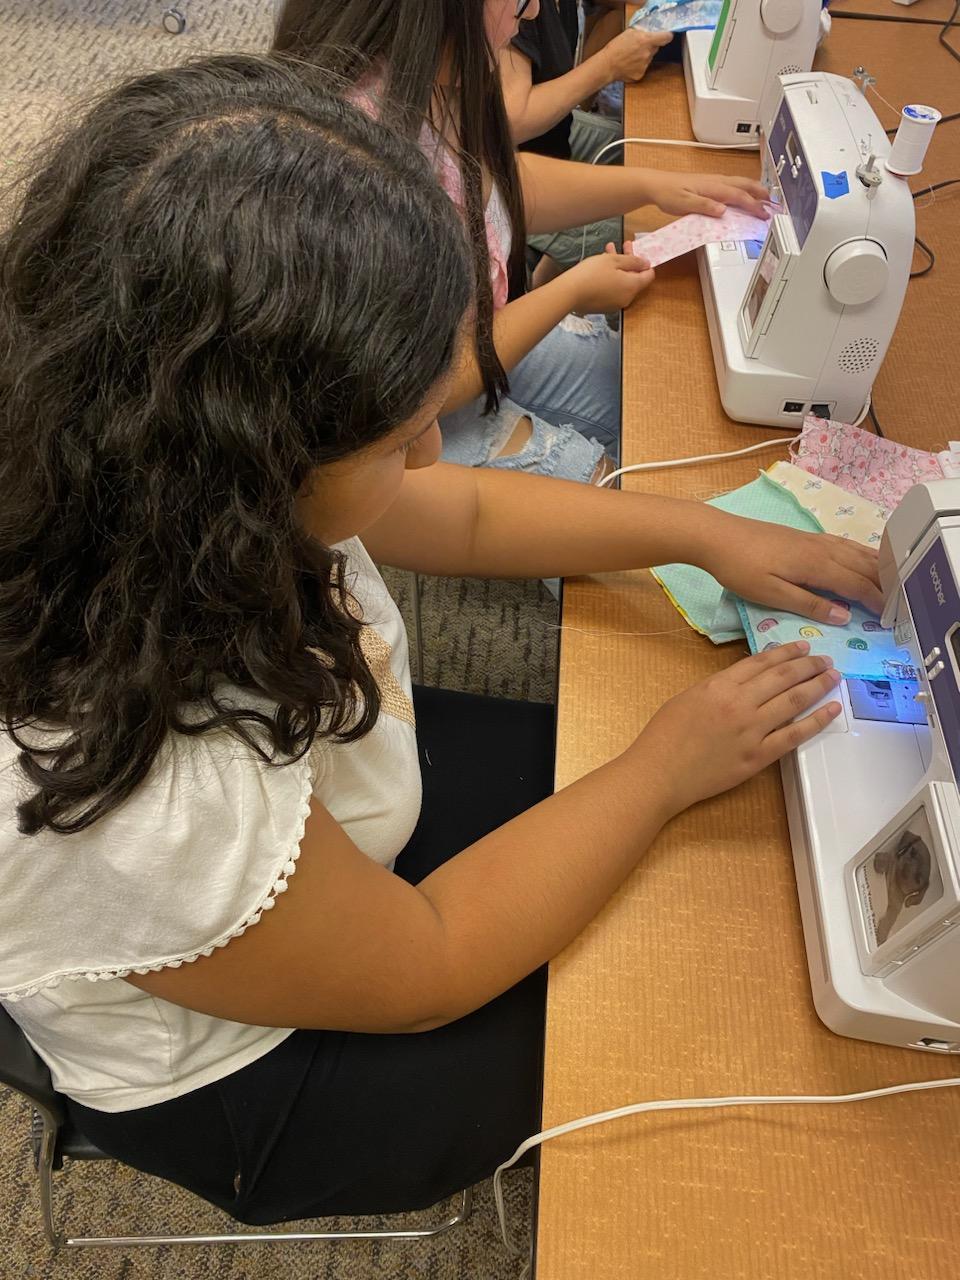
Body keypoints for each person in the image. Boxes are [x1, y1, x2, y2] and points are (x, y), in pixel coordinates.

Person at [0, 53, 883, 1222]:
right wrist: (662, 766)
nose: (429, 453)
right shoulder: (149, 793)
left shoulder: (158, 470)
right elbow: (430, 957)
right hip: (266, 1072)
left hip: (330, 800)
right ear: (253, 464)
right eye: (400, 436)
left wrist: (699, 532)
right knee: (695, 992)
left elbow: (457, 511)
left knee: (705, 825)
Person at [273, 0, 769, 484]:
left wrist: (653, 185)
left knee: (650, 390)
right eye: (523, 0)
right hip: (418, 404)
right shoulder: (357, 168)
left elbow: (495, 190)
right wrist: (571, 291)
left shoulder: (431, 80)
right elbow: (428, 382)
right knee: (622, 484)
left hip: (466, 337)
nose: (532, 13)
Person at [500, 1, 672, 287]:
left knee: (651, 158)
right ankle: (544, 272)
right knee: (651, 231)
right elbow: (513, 122)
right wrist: (608, 65)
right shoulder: (513, 14)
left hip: (551, 141)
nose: (531, 11)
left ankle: (546, 271)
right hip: (512, 175)